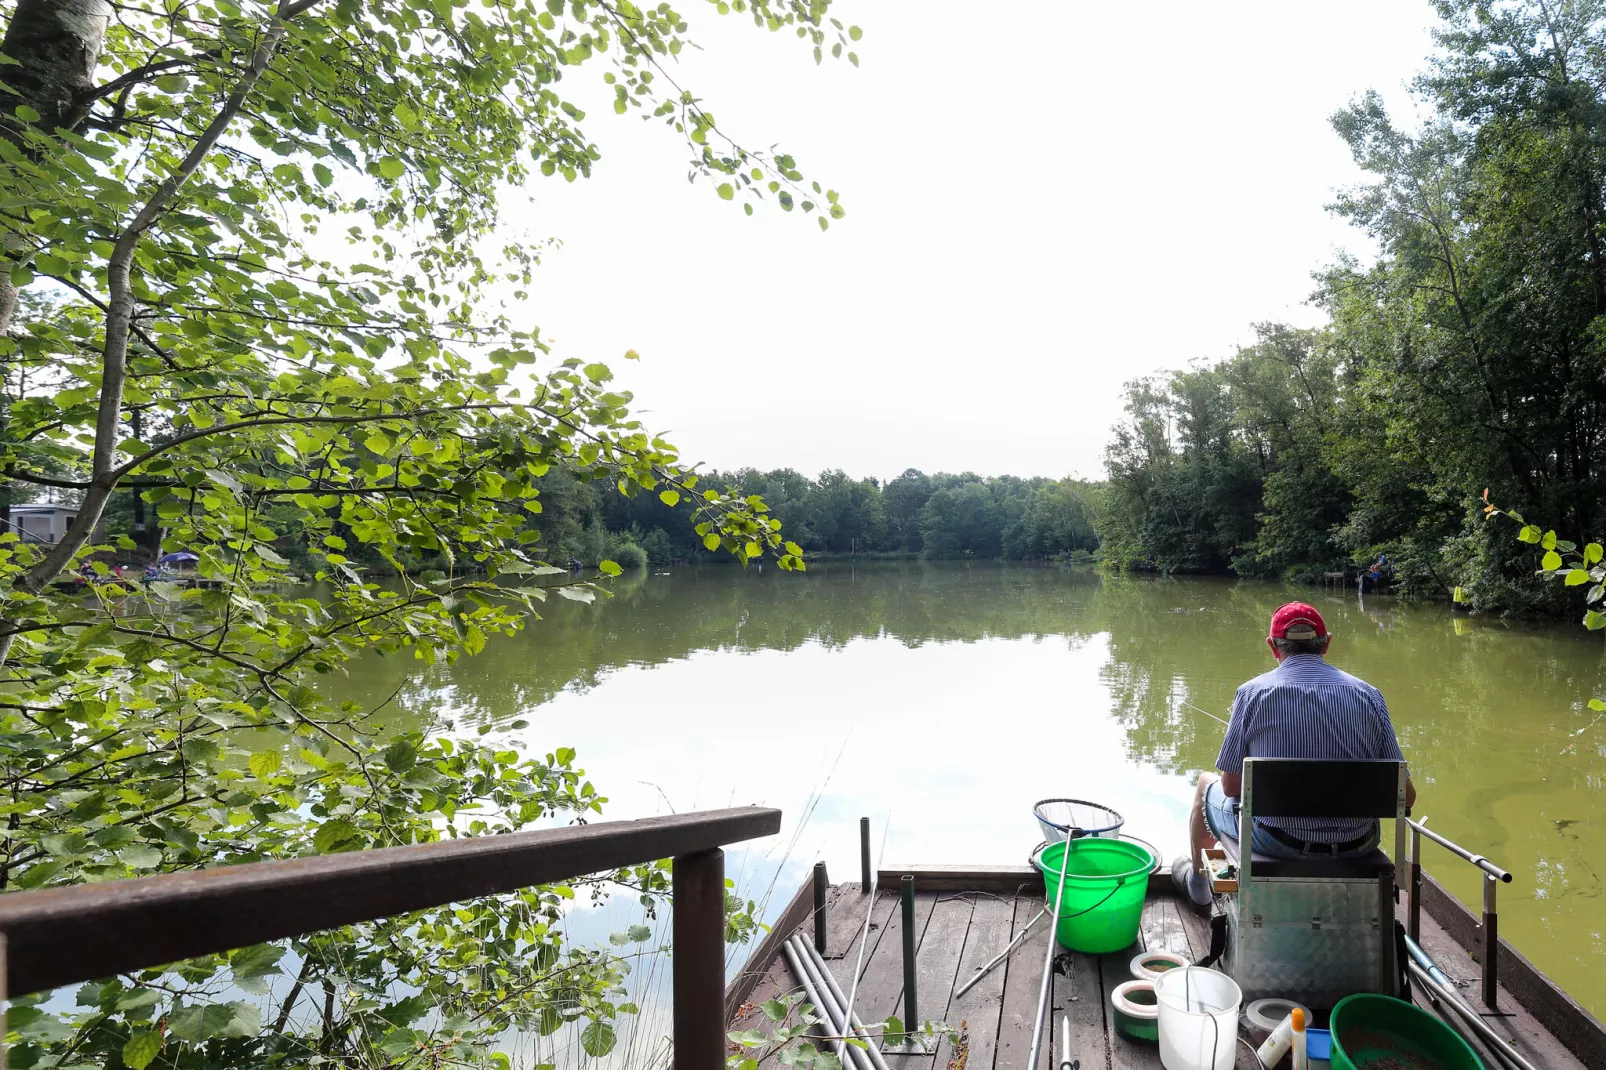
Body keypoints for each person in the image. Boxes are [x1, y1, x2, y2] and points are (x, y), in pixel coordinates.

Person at [1171, 601, 1416, 909]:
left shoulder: (1252, 693)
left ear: (1273, 647)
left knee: (1206, 783)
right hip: (1358, 844)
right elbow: (1405, 796)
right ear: (1326, 643)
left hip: (1279, 842)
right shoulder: (1369, 694)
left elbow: (1232, 787)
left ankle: (1198, 885)